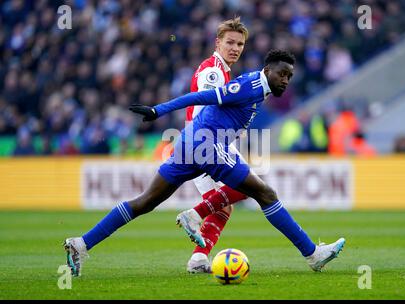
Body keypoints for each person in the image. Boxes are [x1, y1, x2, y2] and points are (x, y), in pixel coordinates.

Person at [64, 49, 345, 277]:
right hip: (208, 145)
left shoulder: (258, 90)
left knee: (146, 201)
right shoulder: (249, 86)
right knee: (265, 193)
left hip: (190, 143)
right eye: (282, 74)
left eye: (290, 76)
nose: (285, 80)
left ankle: (82, 243)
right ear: (267, 70)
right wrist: (158, 110)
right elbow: (204, 96)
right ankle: (312, 254)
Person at [182, 17, 250, 273]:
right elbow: (206, 107)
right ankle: (194, 215)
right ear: (217, 43)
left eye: (240, 44)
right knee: (248, 186)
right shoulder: (212, 71)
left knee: (224, 204)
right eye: (230, 42)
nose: (235, 48)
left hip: (204, 143)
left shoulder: (221, 70)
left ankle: (198, 259)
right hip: (206, 144)